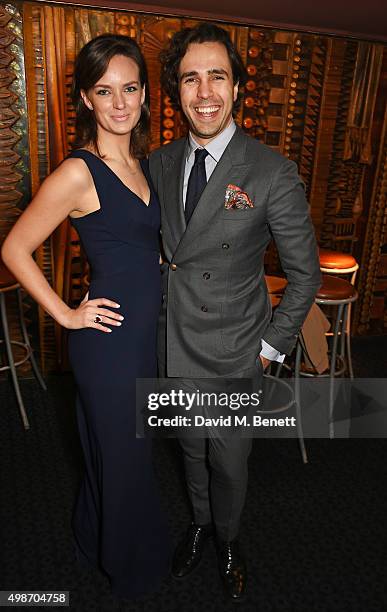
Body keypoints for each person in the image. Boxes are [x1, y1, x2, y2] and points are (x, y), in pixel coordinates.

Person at [149, 23, 321, 602]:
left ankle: (227, 540)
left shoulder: (271, 171)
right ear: (176, 91)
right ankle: (199, 525)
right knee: (188, 451)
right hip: (175, 343)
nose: (204, 92)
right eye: (190, 78)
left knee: (229, 461)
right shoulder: (161, 161)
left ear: (238, 87)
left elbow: (305, 275)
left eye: (216, 76)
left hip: (233, 352)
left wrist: (269, 348)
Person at [1, 34, 170, 599]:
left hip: (146, 339)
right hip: (109, 341)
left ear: (145, 95)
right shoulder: (80, 172)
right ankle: (132, 571)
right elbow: (15, 248)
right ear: (86, 99)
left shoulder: (145, 166)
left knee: (120, 449)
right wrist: (66, 316)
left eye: (129, 89)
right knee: (124, 457)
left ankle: (91, 538)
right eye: (105, 91)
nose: (119, 103)